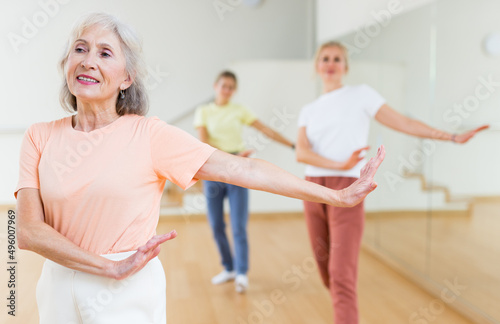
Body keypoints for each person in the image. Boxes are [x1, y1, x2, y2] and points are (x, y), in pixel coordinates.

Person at [15, 14, 385, 324]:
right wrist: (102, 266)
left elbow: (246, 169)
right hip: (57, 285)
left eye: (105, 53)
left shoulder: (149, 135)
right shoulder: (39, 136)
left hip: (125, 286)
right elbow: (29, 232)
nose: (88, 60)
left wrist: (335, 195)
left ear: (127, 78)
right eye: (80, 49)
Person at [296, 41, 489, 324]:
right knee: (326, 271)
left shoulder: (360, 94)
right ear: (317, 67)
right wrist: (340, 162)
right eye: (325, 58)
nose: (331, 63)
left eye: (337, 58)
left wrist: (449, 136)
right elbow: (302, 152)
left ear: (345, 67)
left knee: (341, 276)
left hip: (348, 187)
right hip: (312, 188)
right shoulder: (308, 110)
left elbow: (404, 123)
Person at [194, 71, 295, 293]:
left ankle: (241, 273)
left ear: (234, 90)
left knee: (239, 226)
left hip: (239, 170)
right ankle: (228, 268)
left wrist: (292, 145)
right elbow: (204, 144)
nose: (227, 90)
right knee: (216, 225)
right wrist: (230, 159)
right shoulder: (204, 111)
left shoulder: (239, 110)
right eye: (224, 86)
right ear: (215, 86)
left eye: (231, 87)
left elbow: (265, 130)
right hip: (214, 172)